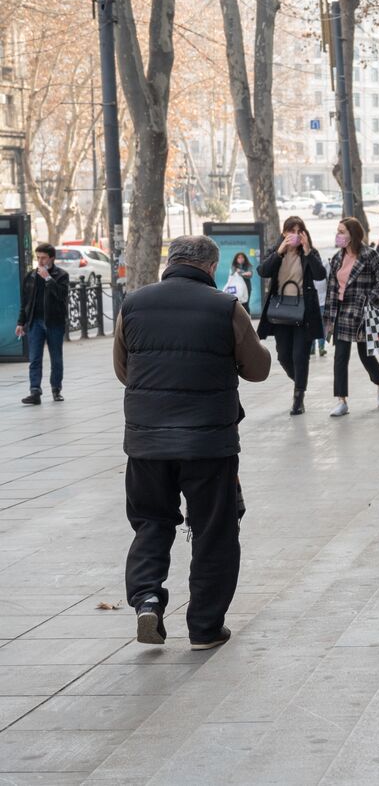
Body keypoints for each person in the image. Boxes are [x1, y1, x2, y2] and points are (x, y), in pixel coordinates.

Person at [114, 235, 271, 651]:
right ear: (210, 266)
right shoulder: (225, 307)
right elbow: (257, 370)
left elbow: (123, 369)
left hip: (147, 441)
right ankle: (204, 627)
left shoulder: (134, 304)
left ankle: (147, 598)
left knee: (151, 522)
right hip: (209, 444)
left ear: (171, 261)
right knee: (214, 530)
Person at [256, 216, 327, 416]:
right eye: (291, 230)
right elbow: (262, 271)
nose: (294, 235)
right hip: (281, 311)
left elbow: (320, 274)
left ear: (304, 233)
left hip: (304, 312)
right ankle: (300, 381)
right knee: (283, 355)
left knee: (300, 355)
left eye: (299, 231)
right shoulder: (276, 251)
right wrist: (279, 252)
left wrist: (307, 251)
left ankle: (298, 398)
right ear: (284, 233)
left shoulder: (310, 253)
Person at [324, 218, 379, 417]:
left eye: (342, 231)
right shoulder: (338, 257)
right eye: (338, 231)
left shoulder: (370, 255)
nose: (338, 235)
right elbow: (332, 288)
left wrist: (370, 300)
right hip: (342, 313)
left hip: (362, 312)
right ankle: (341, 400)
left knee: (367, 356)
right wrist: (328, 316)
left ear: (352, 234)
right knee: (340, 357)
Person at [15, 243, 69, 405]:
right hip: (35, 322)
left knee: (56, 358)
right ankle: (35, 391)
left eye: (43, 257)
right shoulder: (30, 276)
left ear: (52, 258)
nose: (40, 261)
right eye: (37, 257)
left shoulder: (61, 275)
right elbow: (25, 302)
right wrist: (21, 322)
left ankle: (56, 389)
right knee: (35, 358)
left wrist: (48, 278)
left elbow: (61, 295)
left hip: (54, 322)